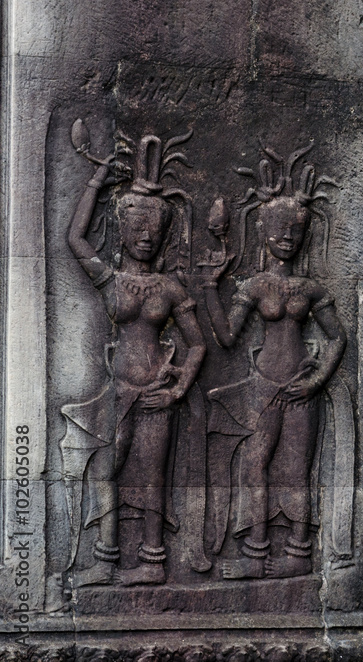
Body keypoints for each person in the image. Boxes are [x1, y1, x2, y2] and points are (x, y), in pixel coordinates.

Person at [61, 128, 206, 587]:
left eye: (155, 228)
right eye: (137, 226)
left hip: (156, 395)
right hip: (118, 390)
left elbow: (197, 343)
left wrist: (179, 388)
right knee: (106, 469)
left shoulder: (170, 288)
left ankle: (152, 560)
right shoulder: (113, 280)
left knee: (152, 477)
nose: (146, 235)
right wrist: (97, 180)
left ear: (165, 234)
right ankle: (106, 559)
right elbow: (76, 239)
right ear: (122, 228)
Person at [202, 145, 346, 580]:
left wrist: (319, 380)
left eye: (295, 229)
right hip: (263, 385)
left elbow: (338, 337)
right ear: (264, 231)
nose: (287, 236)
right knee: (254, 463)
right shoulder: (256, 286)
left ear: (304, 234)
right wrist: (210, 289)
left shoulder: (310, 288)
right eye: (279, 228)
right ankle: (256, 551)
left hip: (301, 387)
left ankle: (300, 553)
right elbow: (227, 336)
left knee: (297, 470)